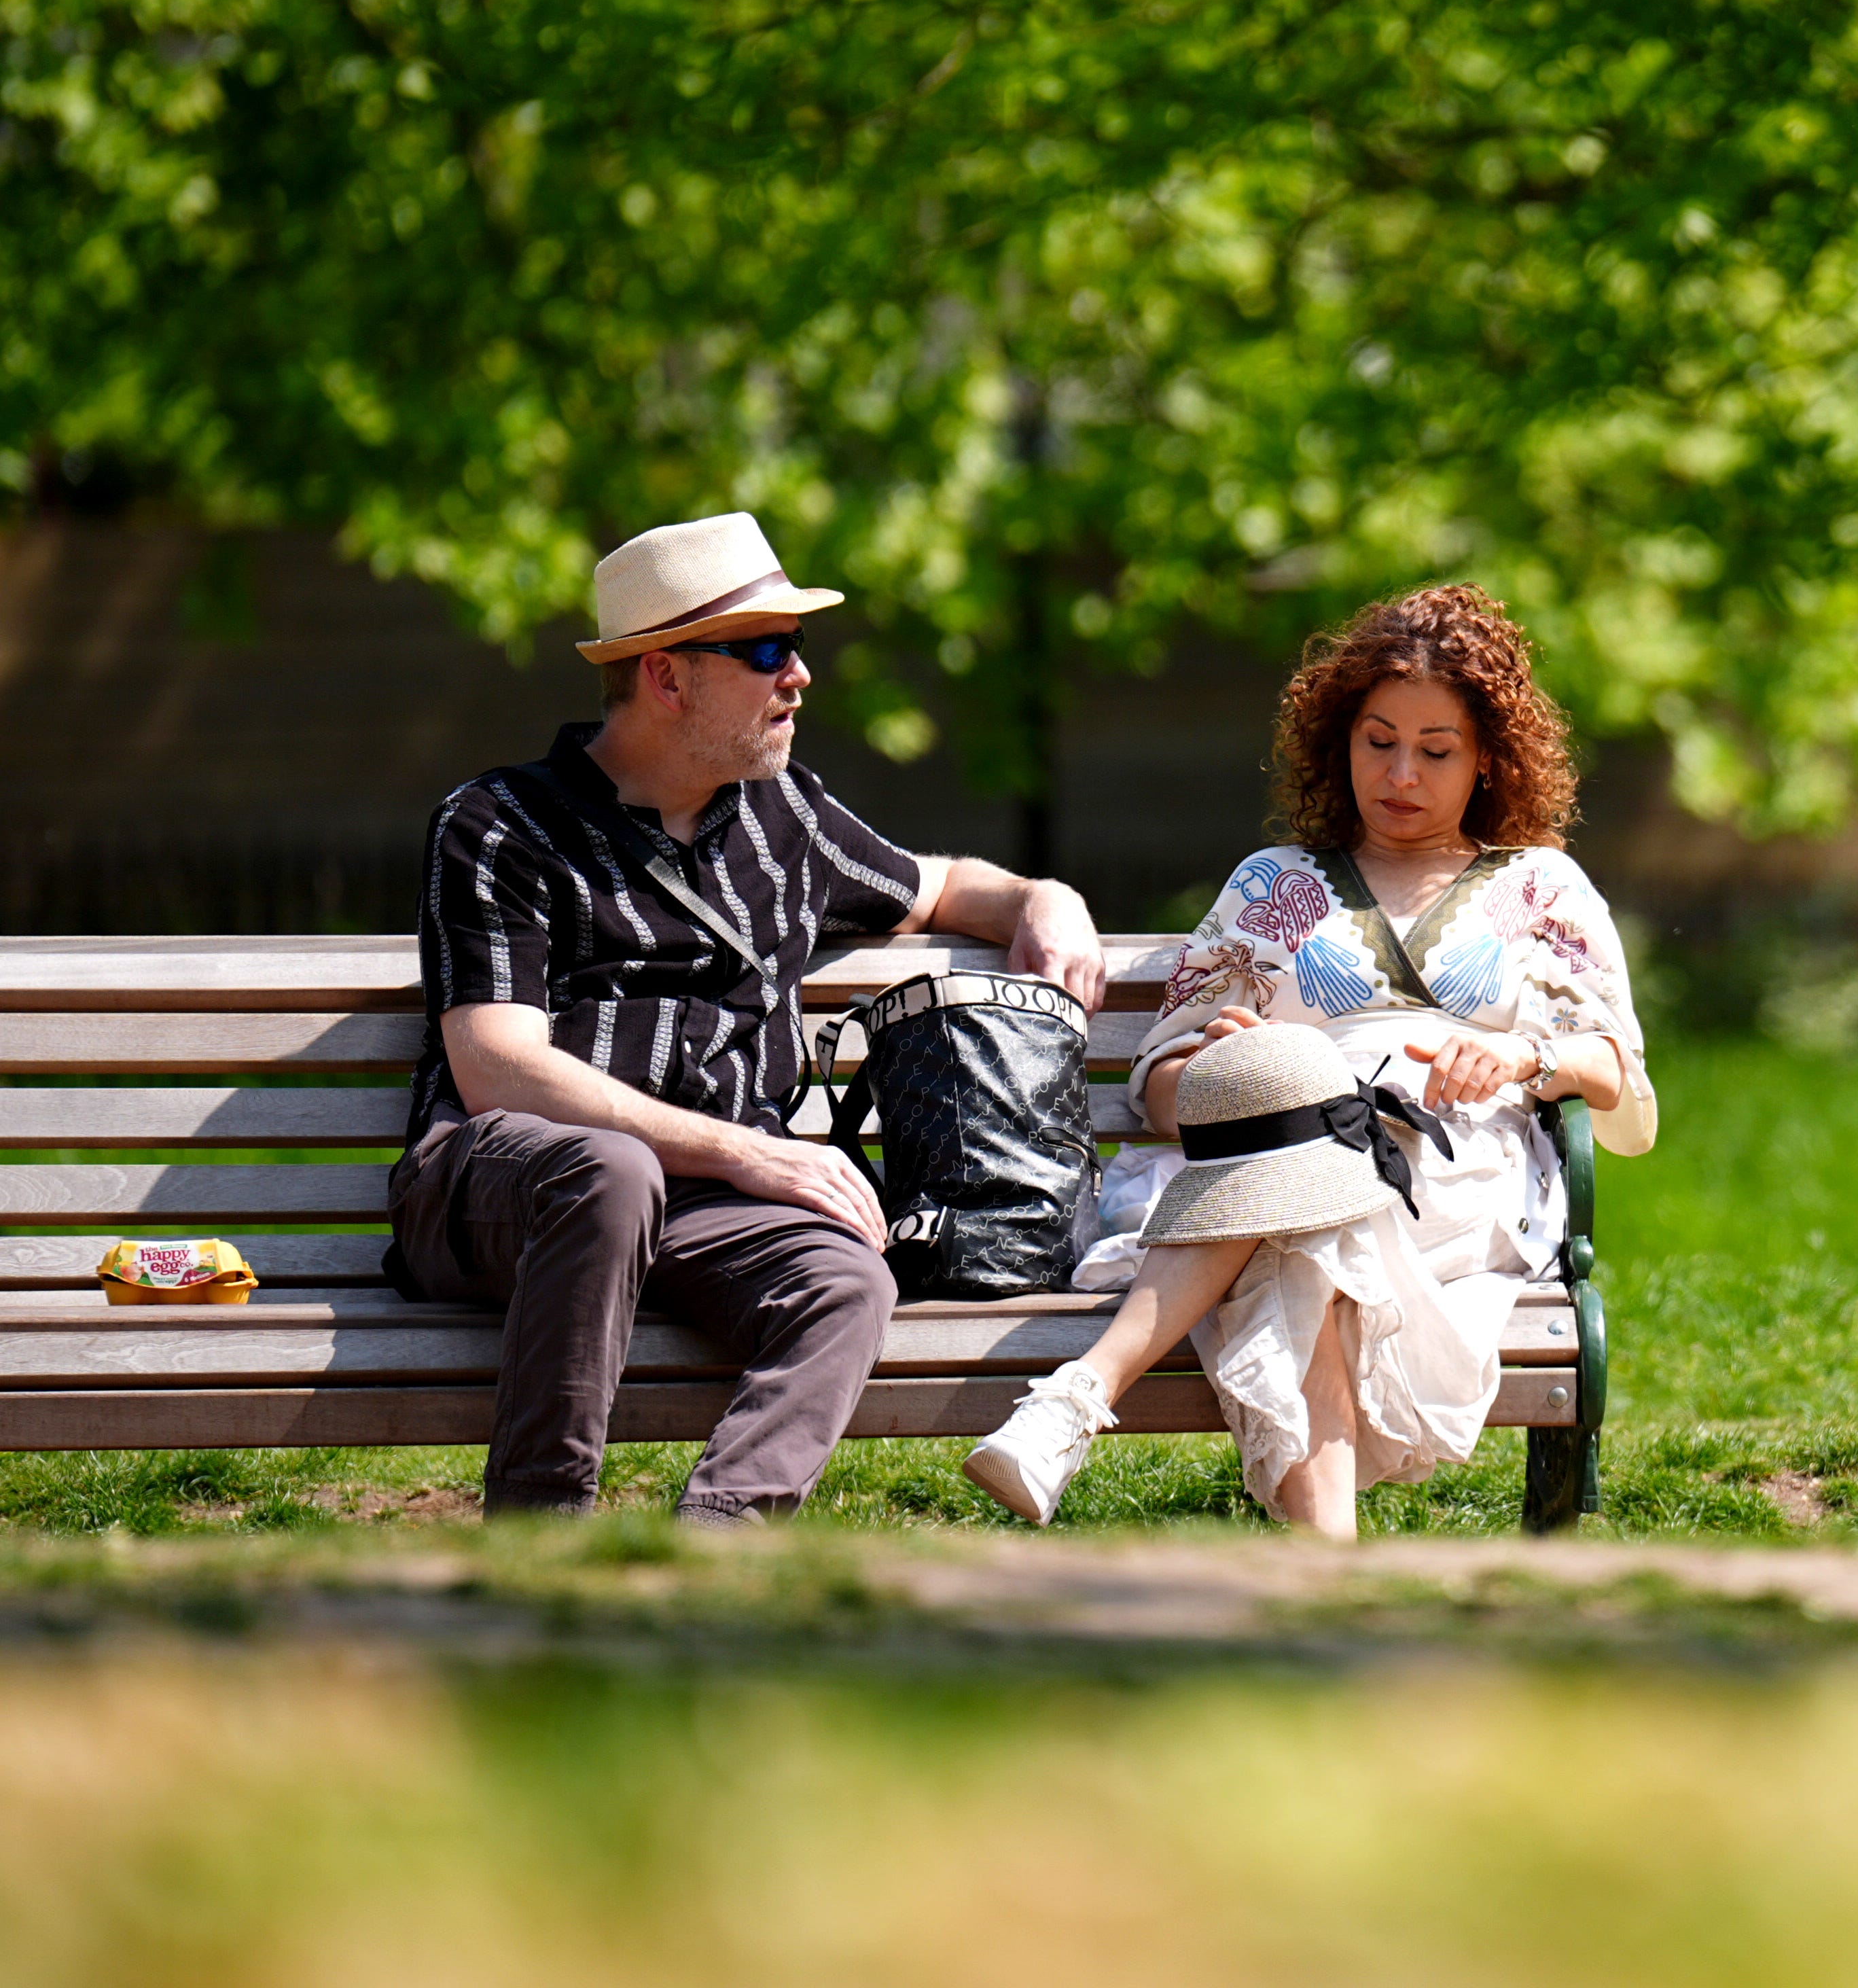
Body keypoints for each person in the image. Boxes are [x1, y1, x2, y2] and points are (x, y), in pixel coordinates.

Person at [394, 512, 1107, 1521]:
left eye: (798, 646)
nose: (799, 677)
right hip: (505, 1185)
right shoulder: (499, 826)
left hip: (698, 1209)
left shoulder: (787, 821)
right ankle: (541, 1537)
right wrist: (747, 1153)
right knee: (612, 1169)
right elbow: (497, 1068)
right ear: (666, 676)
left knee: (849, 1280)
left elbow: (943, 886)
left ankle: (715, 1553)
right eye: (765, 649)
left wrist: (1046, 900)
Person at [965, 584, 1655, 1536]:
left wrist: (1517, 1057)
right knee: (1303, 1182)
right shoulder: (1274, 886)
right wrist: (1224, 1069)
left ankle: (1079, 1398)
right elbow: (1160, 1087)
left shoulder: (1540, 886)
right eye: (1378, 741)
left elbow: (1614, 1069)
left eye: (1435, 750)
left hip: (1455, 1186)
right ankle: (1326, 1583)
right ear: (1341, 739)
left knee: (1300, 1213)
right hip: (1279, 1163)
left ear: (1489, 757)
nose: (1400, 773)